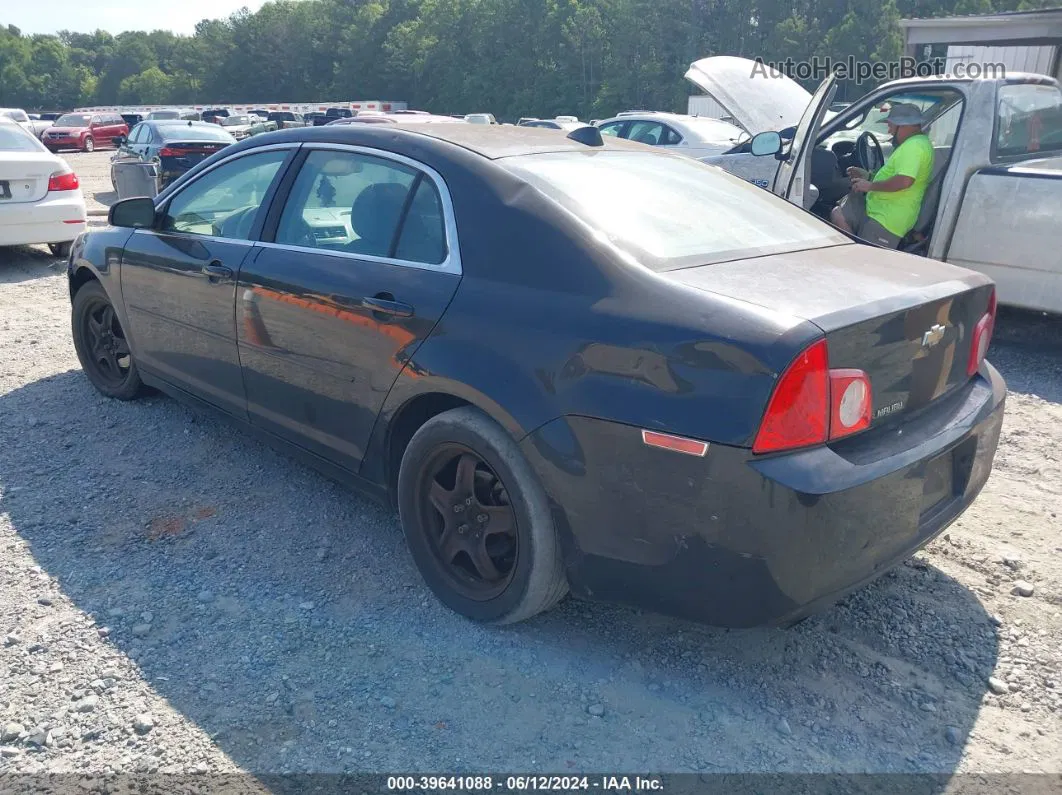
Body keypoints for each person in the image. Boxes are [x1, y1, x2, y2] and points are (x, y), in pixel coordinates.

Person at [830, 103, 935, 249]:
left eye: (891, 125)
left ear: (904, 126)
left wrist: (870, 186)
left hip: (887, 221)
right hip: (879, 210)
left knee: (866, 258)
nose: (889, 130)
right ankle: (853, 247)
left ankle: (855, 253)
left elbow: (905, 181)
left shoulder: (914, 147)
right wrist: (869, 176)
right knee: (838, 213)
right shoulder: (915, 144)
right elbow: (897, 175)